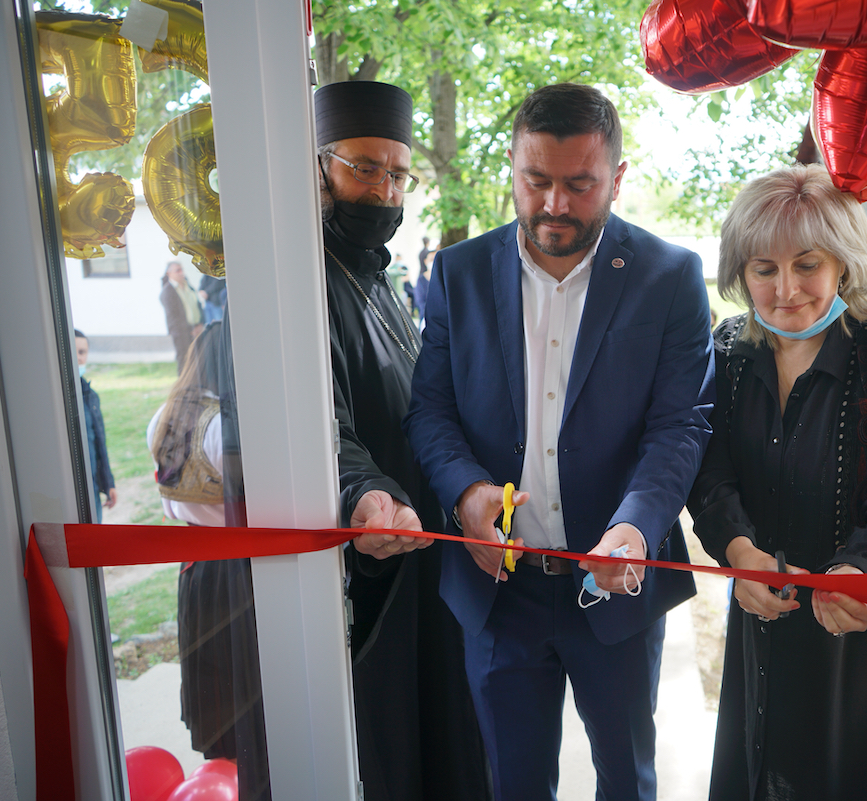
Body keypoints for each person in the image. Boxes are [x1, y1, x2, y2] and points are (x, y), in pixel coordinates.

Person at [405, 82, 714, 801]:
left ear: (617, 178)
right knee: (513, 784)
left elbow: (680, 424)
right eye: (535, 180)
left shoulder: (671, 277)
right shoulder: (457, 274)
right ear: (512, 166)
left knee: (627, 780)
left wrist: (636, 527)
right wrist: (466, 491)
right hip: (497, 592)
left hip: (615, 589)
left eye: (580, 185)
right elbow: (431, 410)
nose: (554, 205)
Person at [687, 165, 867, 801]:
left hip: (858, 630)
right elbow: (709, 476)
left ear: (843, 264)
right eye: (763, 269)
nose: (785, 289)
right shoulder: (728, 352)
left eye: (807, 264)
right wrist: (740, 555)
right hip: (759, 617)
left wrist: (861, 572)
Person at [313, 79, 490, 801]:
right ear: (320, 166)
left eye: (396, 173)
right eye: (363, 167)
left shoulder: (382, 280)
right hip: (367, 574)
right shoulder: (299, 283)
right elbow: (321, 423)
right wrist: (370, 490)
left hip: (425, 561)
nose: (383, 191)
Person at [145, 323, 239, 759]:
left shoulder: (161, 419)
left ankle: (218, 746)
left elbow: (168, 504)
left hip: (194, 567)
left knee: (209, 670)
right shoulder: (226, 427)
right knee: (238, 667)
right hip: (236, 564)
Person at [74, 330, 116, 522]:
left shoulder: (90, 396)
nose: (78, 357)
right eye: (73, 351)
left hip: (91, 487)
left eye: (82, 352)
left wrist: (108, 483)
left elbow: (100, 442)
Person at [160, 260, 204, 374]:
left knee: (198, 360)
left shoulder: (188, 286)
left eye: (182, 270)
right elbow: (174, 317)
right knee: (184, 360)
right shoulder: (168, 291)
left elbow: (198, 305)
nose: (181, 273)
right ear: (169, 273)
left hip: (197, 329)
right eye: (177, 270)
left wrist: (200, 324)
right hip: (181, 333)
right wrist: (190, 330)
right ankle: (183, 388)